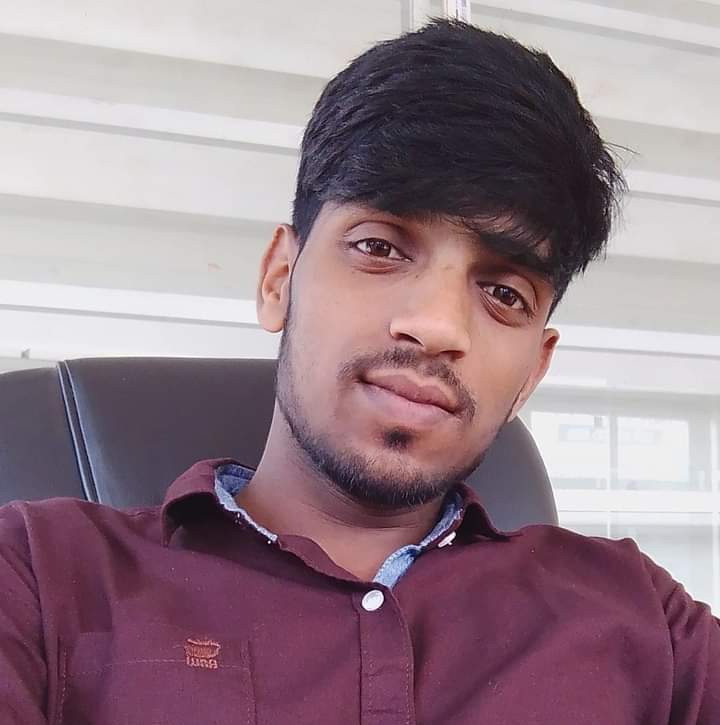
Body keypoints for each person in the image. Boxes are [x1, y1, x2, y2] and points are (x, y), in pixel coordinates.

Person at [1, 18, 717, 725]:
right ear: (279, 278)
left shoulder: (643, 619)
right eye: (379, 247)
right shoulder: (40, 576)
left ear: (534, 368)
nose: (438, 326)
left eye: (504, 294)